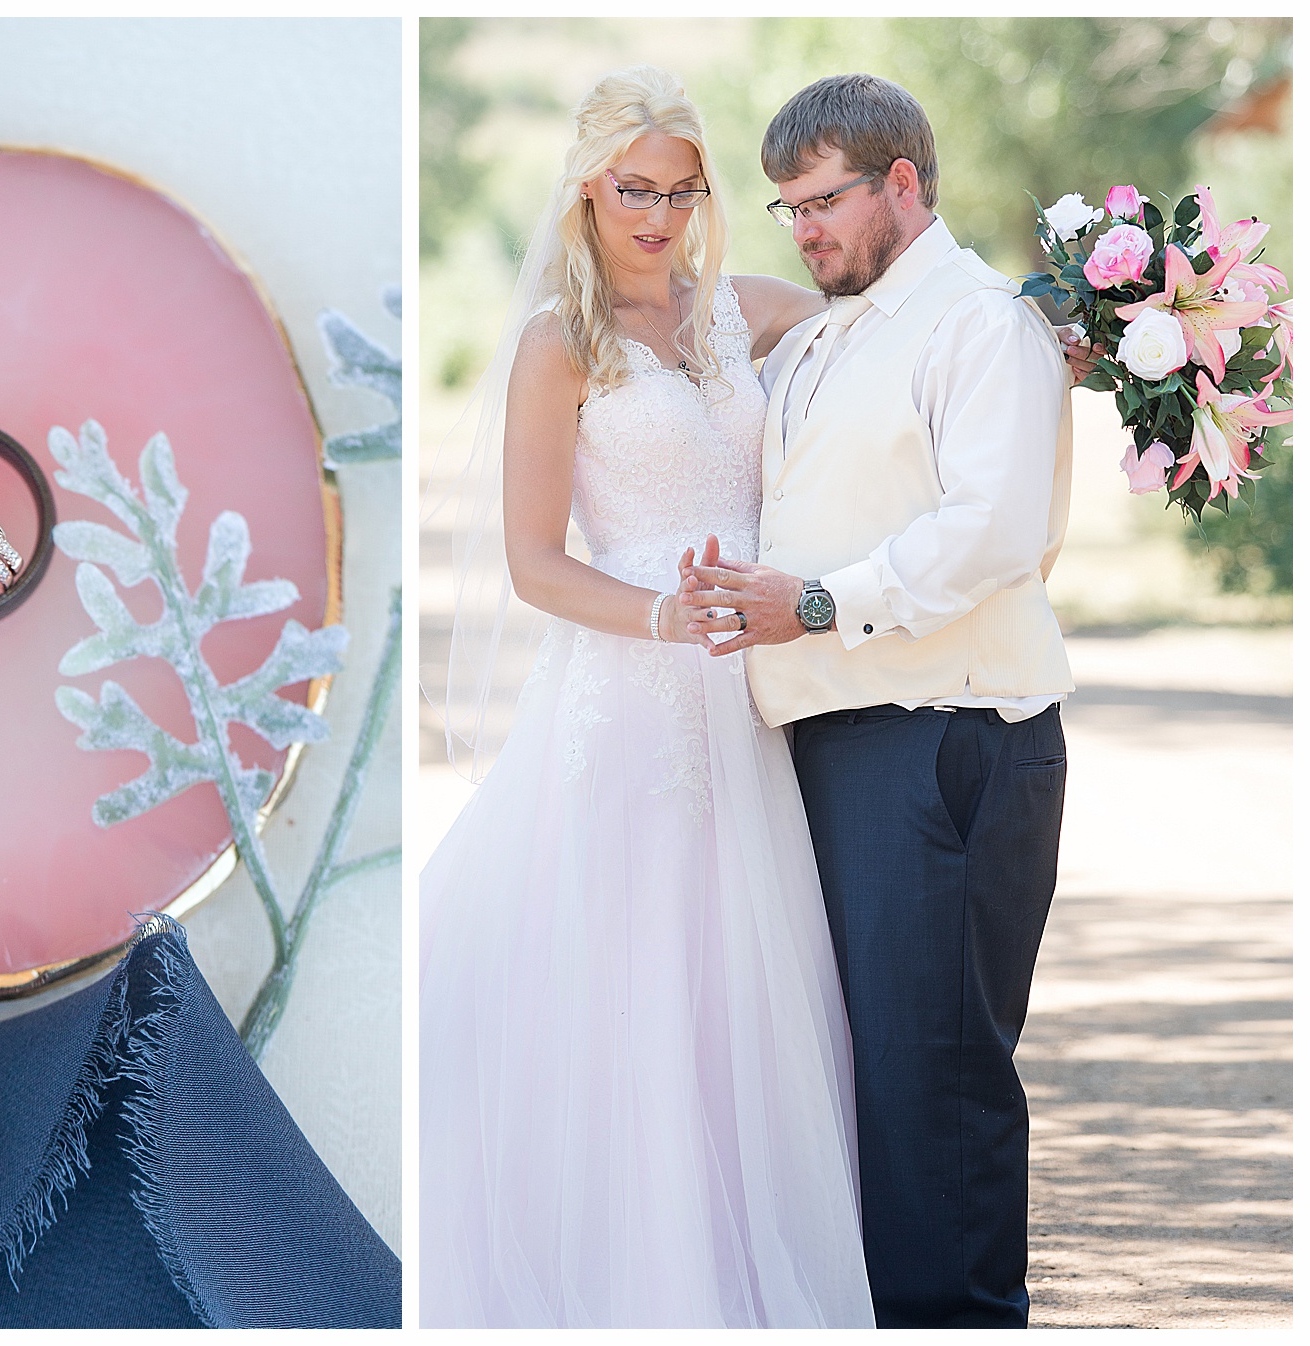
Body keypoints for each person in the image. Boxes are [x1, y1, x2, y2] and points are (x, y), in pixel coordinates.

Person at [419, 65, 874, 1328]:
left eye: (683, 192)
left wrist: (1055, 326)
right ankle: (634, 1274)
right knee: (635, 971)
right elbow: (531, 562)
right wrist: (665, 615)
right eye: (636, 190)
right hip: (629, 691)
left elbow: (888, 308)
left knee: (743, 979)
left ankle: (736, 1259)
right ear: (586, 186)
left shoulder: (739, 312)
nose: (660, 215)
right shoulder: (557, 345)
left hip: (747, 698)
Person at [677, 73, 1074, 1328]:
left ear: (904, 183)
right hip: (841, 744)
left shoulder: (979, 324)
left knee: (933, 1080)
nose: (806, 229)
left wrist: (813, 603)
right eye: (788, 207)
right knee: (861, 1080)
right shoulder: (835, 331)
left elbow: (994, 530)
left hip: (945, 741)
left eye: (826, 202)